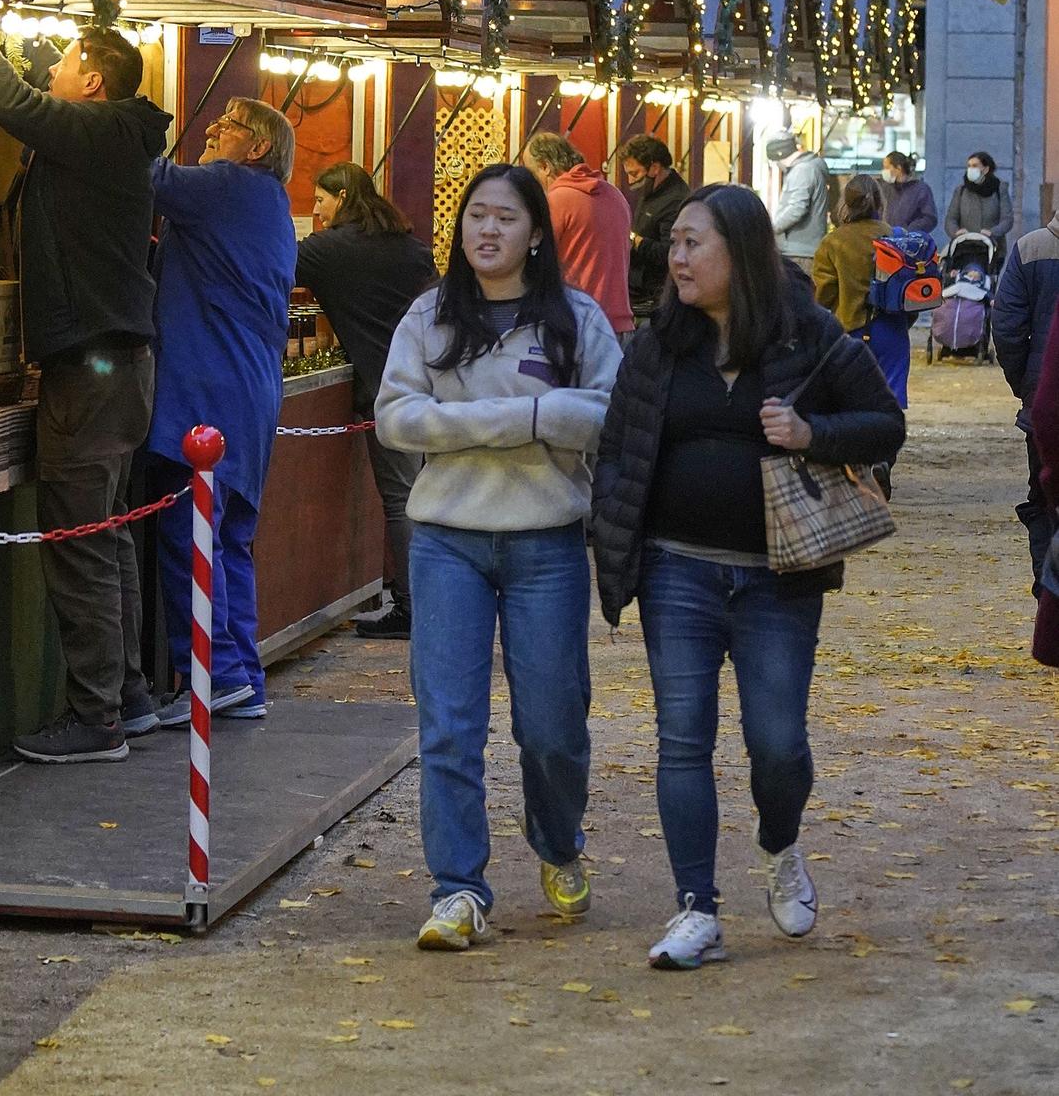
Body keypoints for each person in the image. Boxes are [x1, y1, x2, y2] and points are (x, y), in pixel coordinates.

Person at [589, 184, 904, 971]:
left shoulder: (807, 335)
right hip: (677, 572)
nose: (678, 256)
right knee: (681, 742)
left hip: (778, 578)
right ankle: (696, 908)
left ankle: (779, 842)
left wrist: (809, 432)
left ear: (742, 251)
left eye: (695, 243)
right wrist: (617, 552)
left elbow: (884, 424)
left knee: (777, 745)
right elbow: (619, 454)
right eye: (677, 244)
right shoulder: (659, 345)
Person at [376, 164, 623, 951]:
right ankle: (457, 888)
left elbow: (606, 414)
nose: (487, 231)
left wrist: (474, 417)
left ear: (535, 236)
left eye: (505, 219)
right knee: (448, 725)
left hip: (546, 543)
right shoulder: (428, 316)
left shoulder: (575, 319)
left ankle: (557, 841)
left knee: (550, 724)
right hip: (445, 540)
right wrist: (531, 418)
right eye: (475, 217)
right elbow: (395, 418)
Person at [0, 29, 169, 763]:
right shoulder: (109, 137)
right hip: (112, 365)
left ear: (93, 83)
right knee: (106, 538)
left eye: (67, 59)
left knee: (82, 544)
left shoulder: (106, 129)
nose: (53, 67)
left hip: (93, 370)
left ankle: (96, 720)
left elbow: (7, 99)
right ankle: (130, 700)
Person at [147, 97, 297, 724]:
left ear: (256, 148)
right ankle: (241, 677)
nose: (210, 132)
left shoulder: (230, 186)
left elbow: (144, 176)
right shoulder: (272, 206)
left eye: (227, 127)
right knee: (229, 540)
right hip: (251, 392)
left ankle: (216, 676)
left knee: (190, 537)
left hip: (206, 394)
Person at [295, 162, 437, 639]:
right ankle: (429, 601)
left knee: (401, 500)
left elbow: (273, 272)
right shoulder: (412, 248)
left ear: (340, 198)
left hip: (381, 388)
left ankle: (416, 610)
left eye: (319, 200)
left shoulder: (323, 252)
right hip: (426, 383)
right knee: (421, 495)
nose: (315, 211)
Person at [991, 203, 1059, 596]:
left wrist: (1027, 384)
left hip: (1046, 405)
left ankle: (1049, 592)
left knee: (1045, 498)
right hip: (1042, 399)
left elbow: (1007, 326)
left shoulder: (1029, 249)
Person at [813, 174, 913, 408]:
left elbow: (822, 296)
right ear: (879, 203)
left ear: (845, 204)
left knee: (850, 401)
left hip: (850, 332)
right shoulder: (897, 237)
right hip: (894, 331)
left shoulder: (834, 242)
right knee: (890, 403)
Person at [523, 131, 634, 339]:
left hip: (576, 321)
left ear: (545, 166)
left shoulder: (557, 200)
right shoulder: (615, 195)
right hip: (619, 323)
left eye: (531, 172)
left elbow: (535, 261)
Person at [619, 135, 690, 318]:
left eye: (635, 174)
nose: (629, 181)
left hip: (654, 301)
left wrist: (634, 240)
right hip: (636, 293)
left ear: (655, 168)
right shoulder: (650, 191)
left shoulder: (676, 199)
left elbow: (670, 252)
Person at [1024, 308, 1059, 670]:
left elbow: (1049, 412)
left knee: (1039, 511)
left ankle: (1041, 588)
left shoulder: (1030, 249)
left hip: (1036, 386)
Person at [765, 132, 830, 273]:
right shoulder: (809, 167)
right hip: (804, 250)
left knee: (796, 293)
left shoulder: (802, 170)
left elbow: (796, 208)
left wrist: (770, 228)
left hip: (799, 252)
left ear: (779, 155)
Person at [943, 150, 1014, 260]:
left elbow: (1007, 219)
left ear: (985, 169)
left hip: (992, 249)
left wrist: (992, 232)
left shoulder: (999, 190)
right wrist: (956, 232)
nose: (971, 169)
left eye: (975, 166)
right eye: (969, 166)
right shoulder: (961, 191)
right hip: (964, 248)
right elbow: (951, 218)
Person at [880, 150, 937, 236]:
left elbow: (929, 218)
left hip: (911, 241)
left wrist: (908, 231)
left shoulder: (921, 189)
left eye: (887, 167)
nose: (884, 171)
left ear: (898, 168)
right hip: (887, 241)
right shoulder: (886, 188)